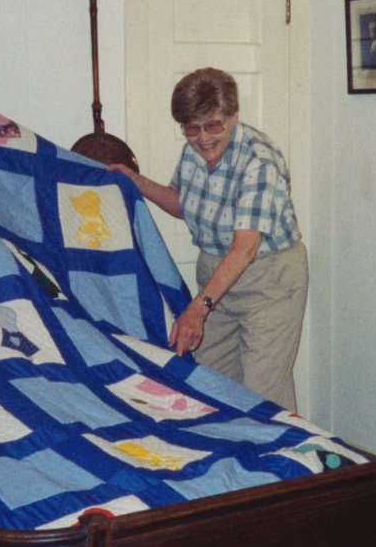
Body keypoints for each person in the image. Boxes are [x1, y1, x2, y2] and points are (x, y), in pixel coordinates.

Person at [109, 67, 307, 410]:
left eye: (213, 125)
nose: (203, 138)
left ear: (232, 116)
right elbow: (184, 205)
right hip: (217, 277)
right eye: (191, 128)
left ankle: (288, 461)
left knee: (263, 395)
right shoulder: (194, 152)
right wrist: (134, 181)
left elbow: (244, 248)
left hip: (267, 280)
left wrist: (197, 310)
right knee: (211, 388)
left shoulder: (260, 161)